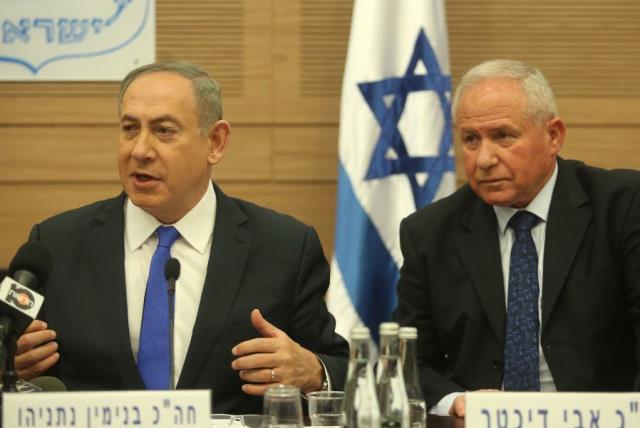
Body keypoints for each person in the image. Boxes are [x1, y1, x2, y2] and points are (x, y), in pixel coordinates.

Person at [13, 60, 349, 413]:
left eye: (164, 131)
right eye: (130, 129)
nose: (139, 150)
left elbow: (337, 368)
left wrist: (312, 372)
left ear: (215, 143)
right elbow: (9, 338)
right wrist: (9, 363)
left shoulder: (285, 247)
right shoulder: (53, 244)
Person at [393, 59, 640, 418]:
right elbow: (408, 359)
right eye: (471, 139)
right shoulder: (430, 232)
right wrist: (455, 401)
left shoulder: (623, 206)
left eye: (503, 136)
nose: (484, 159)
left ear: (553, 136)